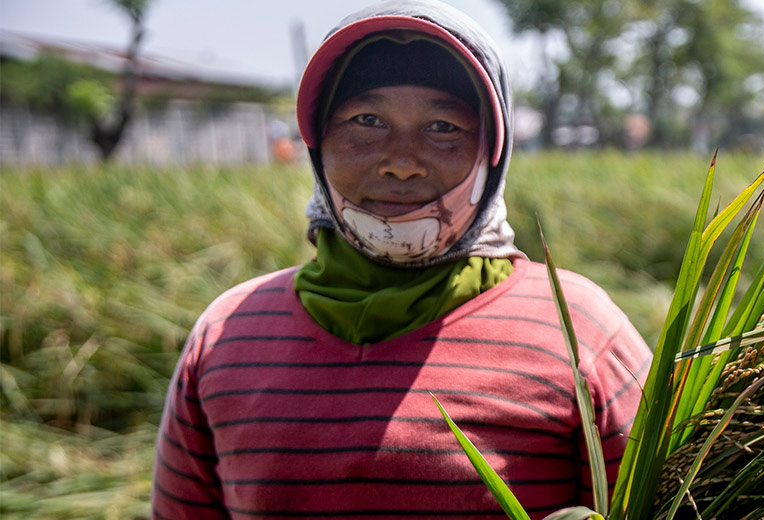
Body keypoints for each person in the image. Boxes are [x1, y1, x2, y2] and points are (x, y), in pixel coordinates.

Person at [150, 1, 650, 517]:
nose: (402, 163)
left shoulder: (582, 334)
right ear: (318, 143)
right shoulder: (227, 335)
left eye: (443, 127)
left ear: (492, 151)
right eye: (367, 121)